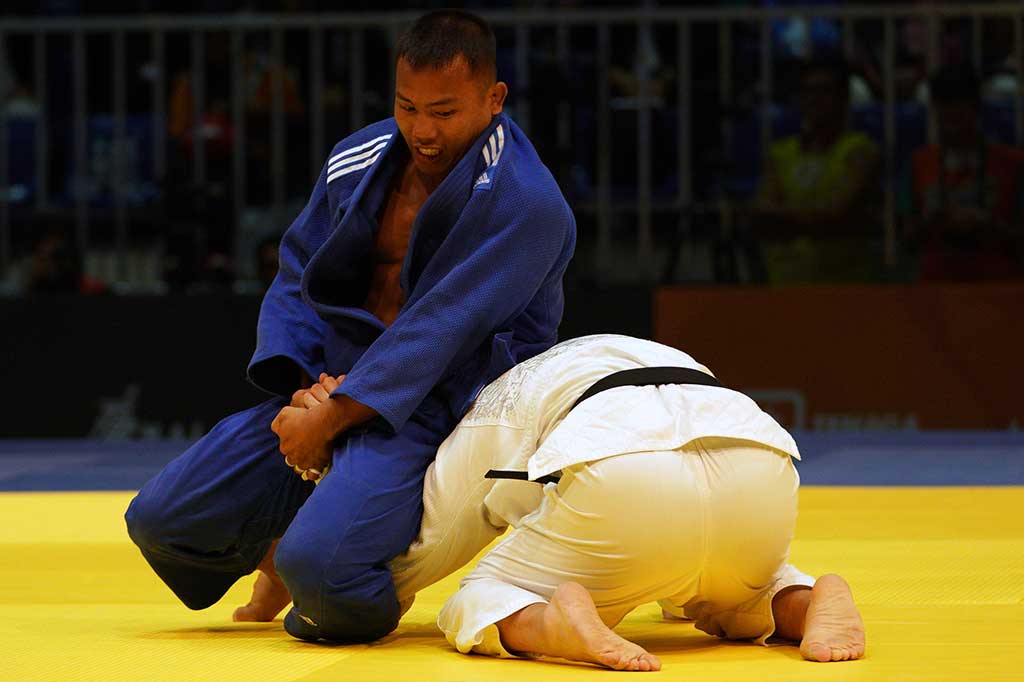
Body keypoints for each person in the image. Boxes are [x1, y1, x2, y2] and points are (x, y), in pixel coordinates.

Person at [124, 9, 576, 645]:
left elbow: (438, 332)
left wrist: (334, 414)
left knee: (326, 580)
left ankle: (317, 560)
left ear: (493, 99)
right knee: (163, 520)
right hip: (331, 384)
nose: (422, 129)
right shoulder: (357, 159)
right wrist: (304, 389)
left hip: (433, 409)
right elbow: (298, 272)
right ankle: (283, 549)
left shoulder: (524, 202)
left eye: (445, 112)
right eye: (407, 105)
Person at [377, 334, 864, 670]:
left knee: (478, 593)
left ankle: (550, 623)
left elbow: (437, 536)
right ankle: (803, 600)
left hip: (625, 479)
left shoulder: (493, 400)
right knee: (739, 589)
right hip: (758, 462)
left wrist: (375, 593)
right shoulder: (611, 352)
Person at [751, 57, 882, 285]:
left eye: (824, 91)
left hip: (845, 291)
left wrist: (783, 216)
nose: (814, 99)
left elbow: (836, 212)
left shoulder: (860, 152)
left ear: (844, 99)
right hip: (784, 288)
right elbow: (762, 213)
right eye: (807, 91)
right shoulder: (780, 153)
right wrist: (815, 218)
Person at [900, 64, 1024, 281]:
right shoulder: (918, 163)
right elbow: (905, 238)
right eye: (944, 104)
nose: (951, 113)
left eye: (959, 104)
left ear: (976, 107)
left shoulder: (1013, 164)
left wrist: (987, 226)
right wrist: (934, 223)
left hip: (998, 292)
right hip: (936, 292)